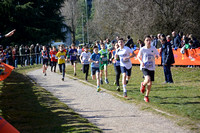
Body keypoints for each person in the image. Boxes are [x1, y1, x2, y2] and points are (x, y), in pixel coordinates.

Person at [137, 35, 159, 102]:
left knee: (150, 83)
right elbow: (138, 57)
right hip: (144, 67)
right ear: (144, 41)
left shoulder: (153, 48)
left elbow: (157, 54)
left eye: (149, 40)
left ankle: (146, 96)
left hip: (152, 67)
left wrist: (157, 56)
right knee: (148, 79)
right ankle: (143, 84)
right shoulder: (143, 49)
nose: (148, 41)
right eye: (147, 40)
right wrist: (141, 62)